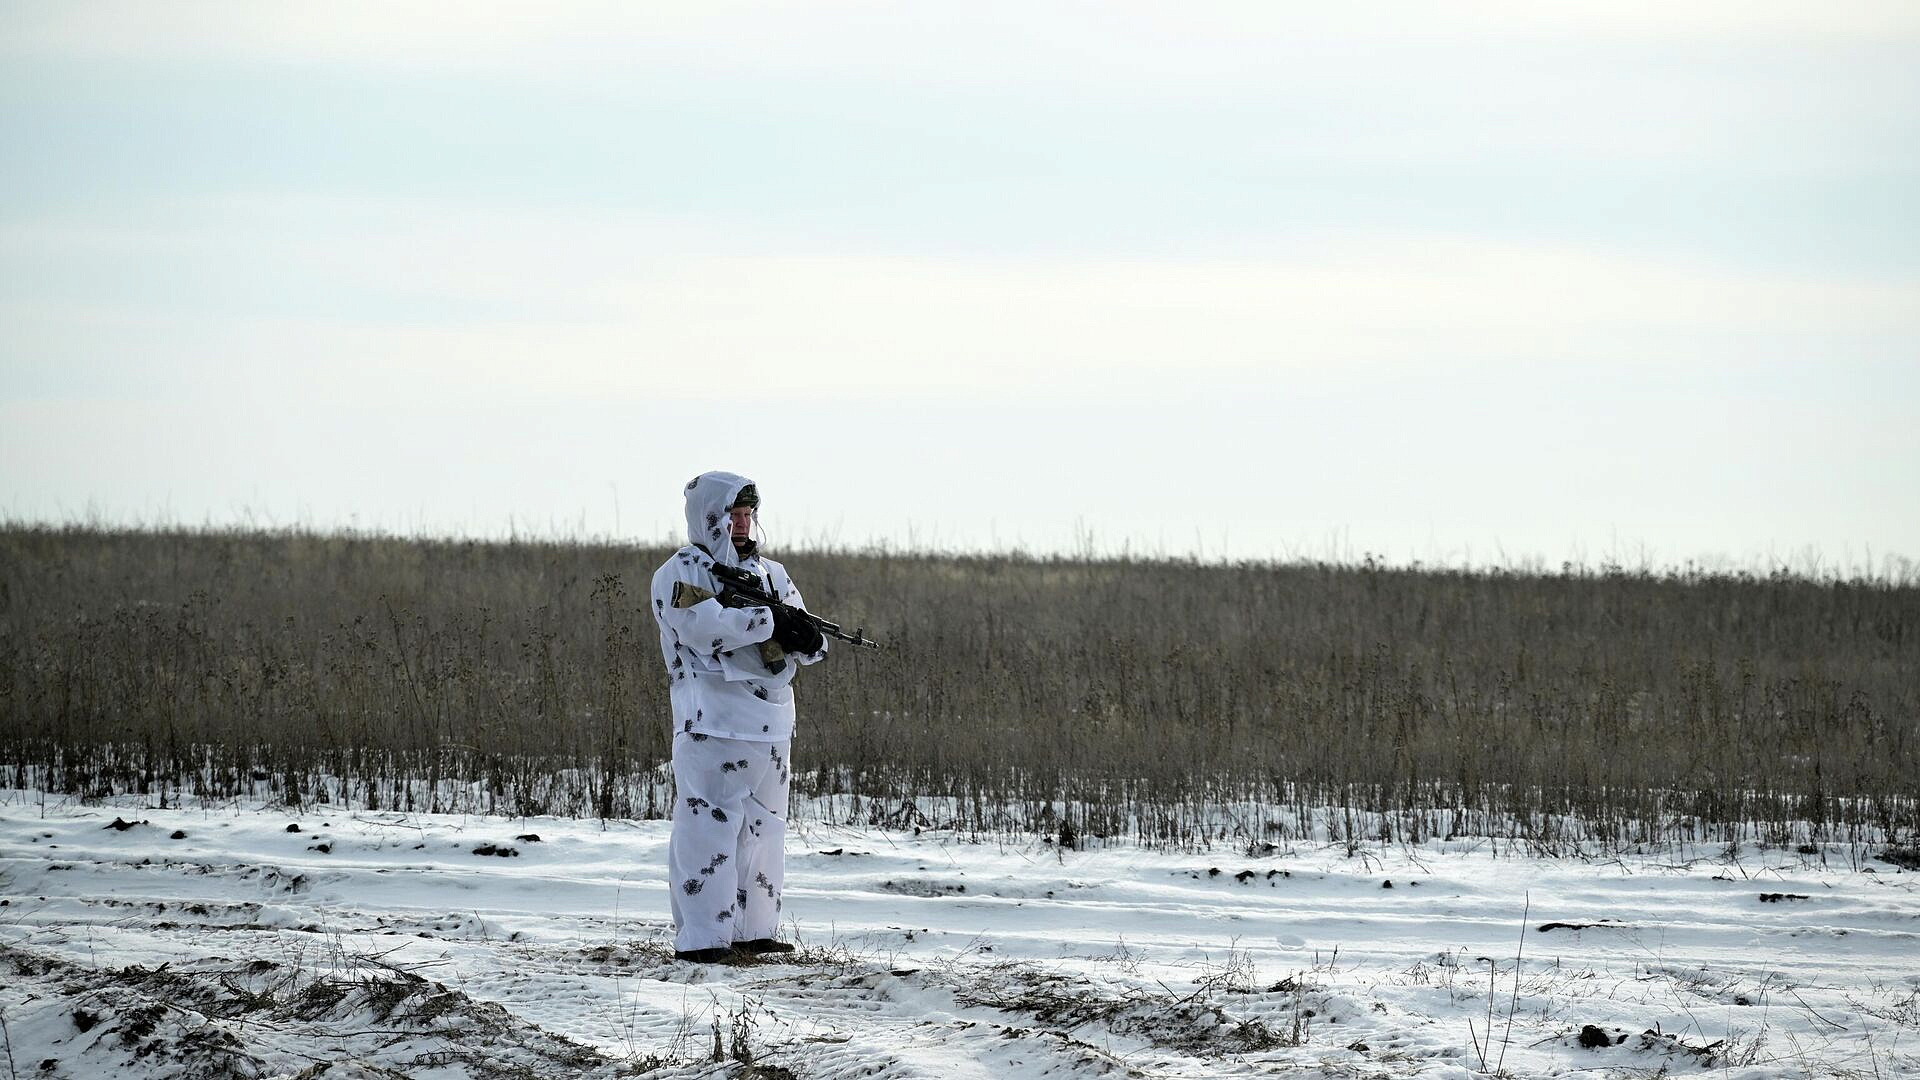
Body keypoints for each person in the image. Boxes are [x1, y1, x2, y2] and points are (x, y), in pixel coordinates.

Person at [650, 471, 826, 962]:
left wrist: (807, 639)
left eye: (749, 515)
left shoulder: (773, 575)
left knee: (765, 832)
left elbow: (807, 635)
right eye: (733, 515)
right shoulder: (679, 573)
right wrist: (771, 621)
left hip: (772, 724)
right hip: (711, 725)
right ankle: (704, 940)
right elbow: (705, 629)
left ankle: (755, 932)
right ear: (710, 519)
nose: (743, 525)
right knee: (708, 831)